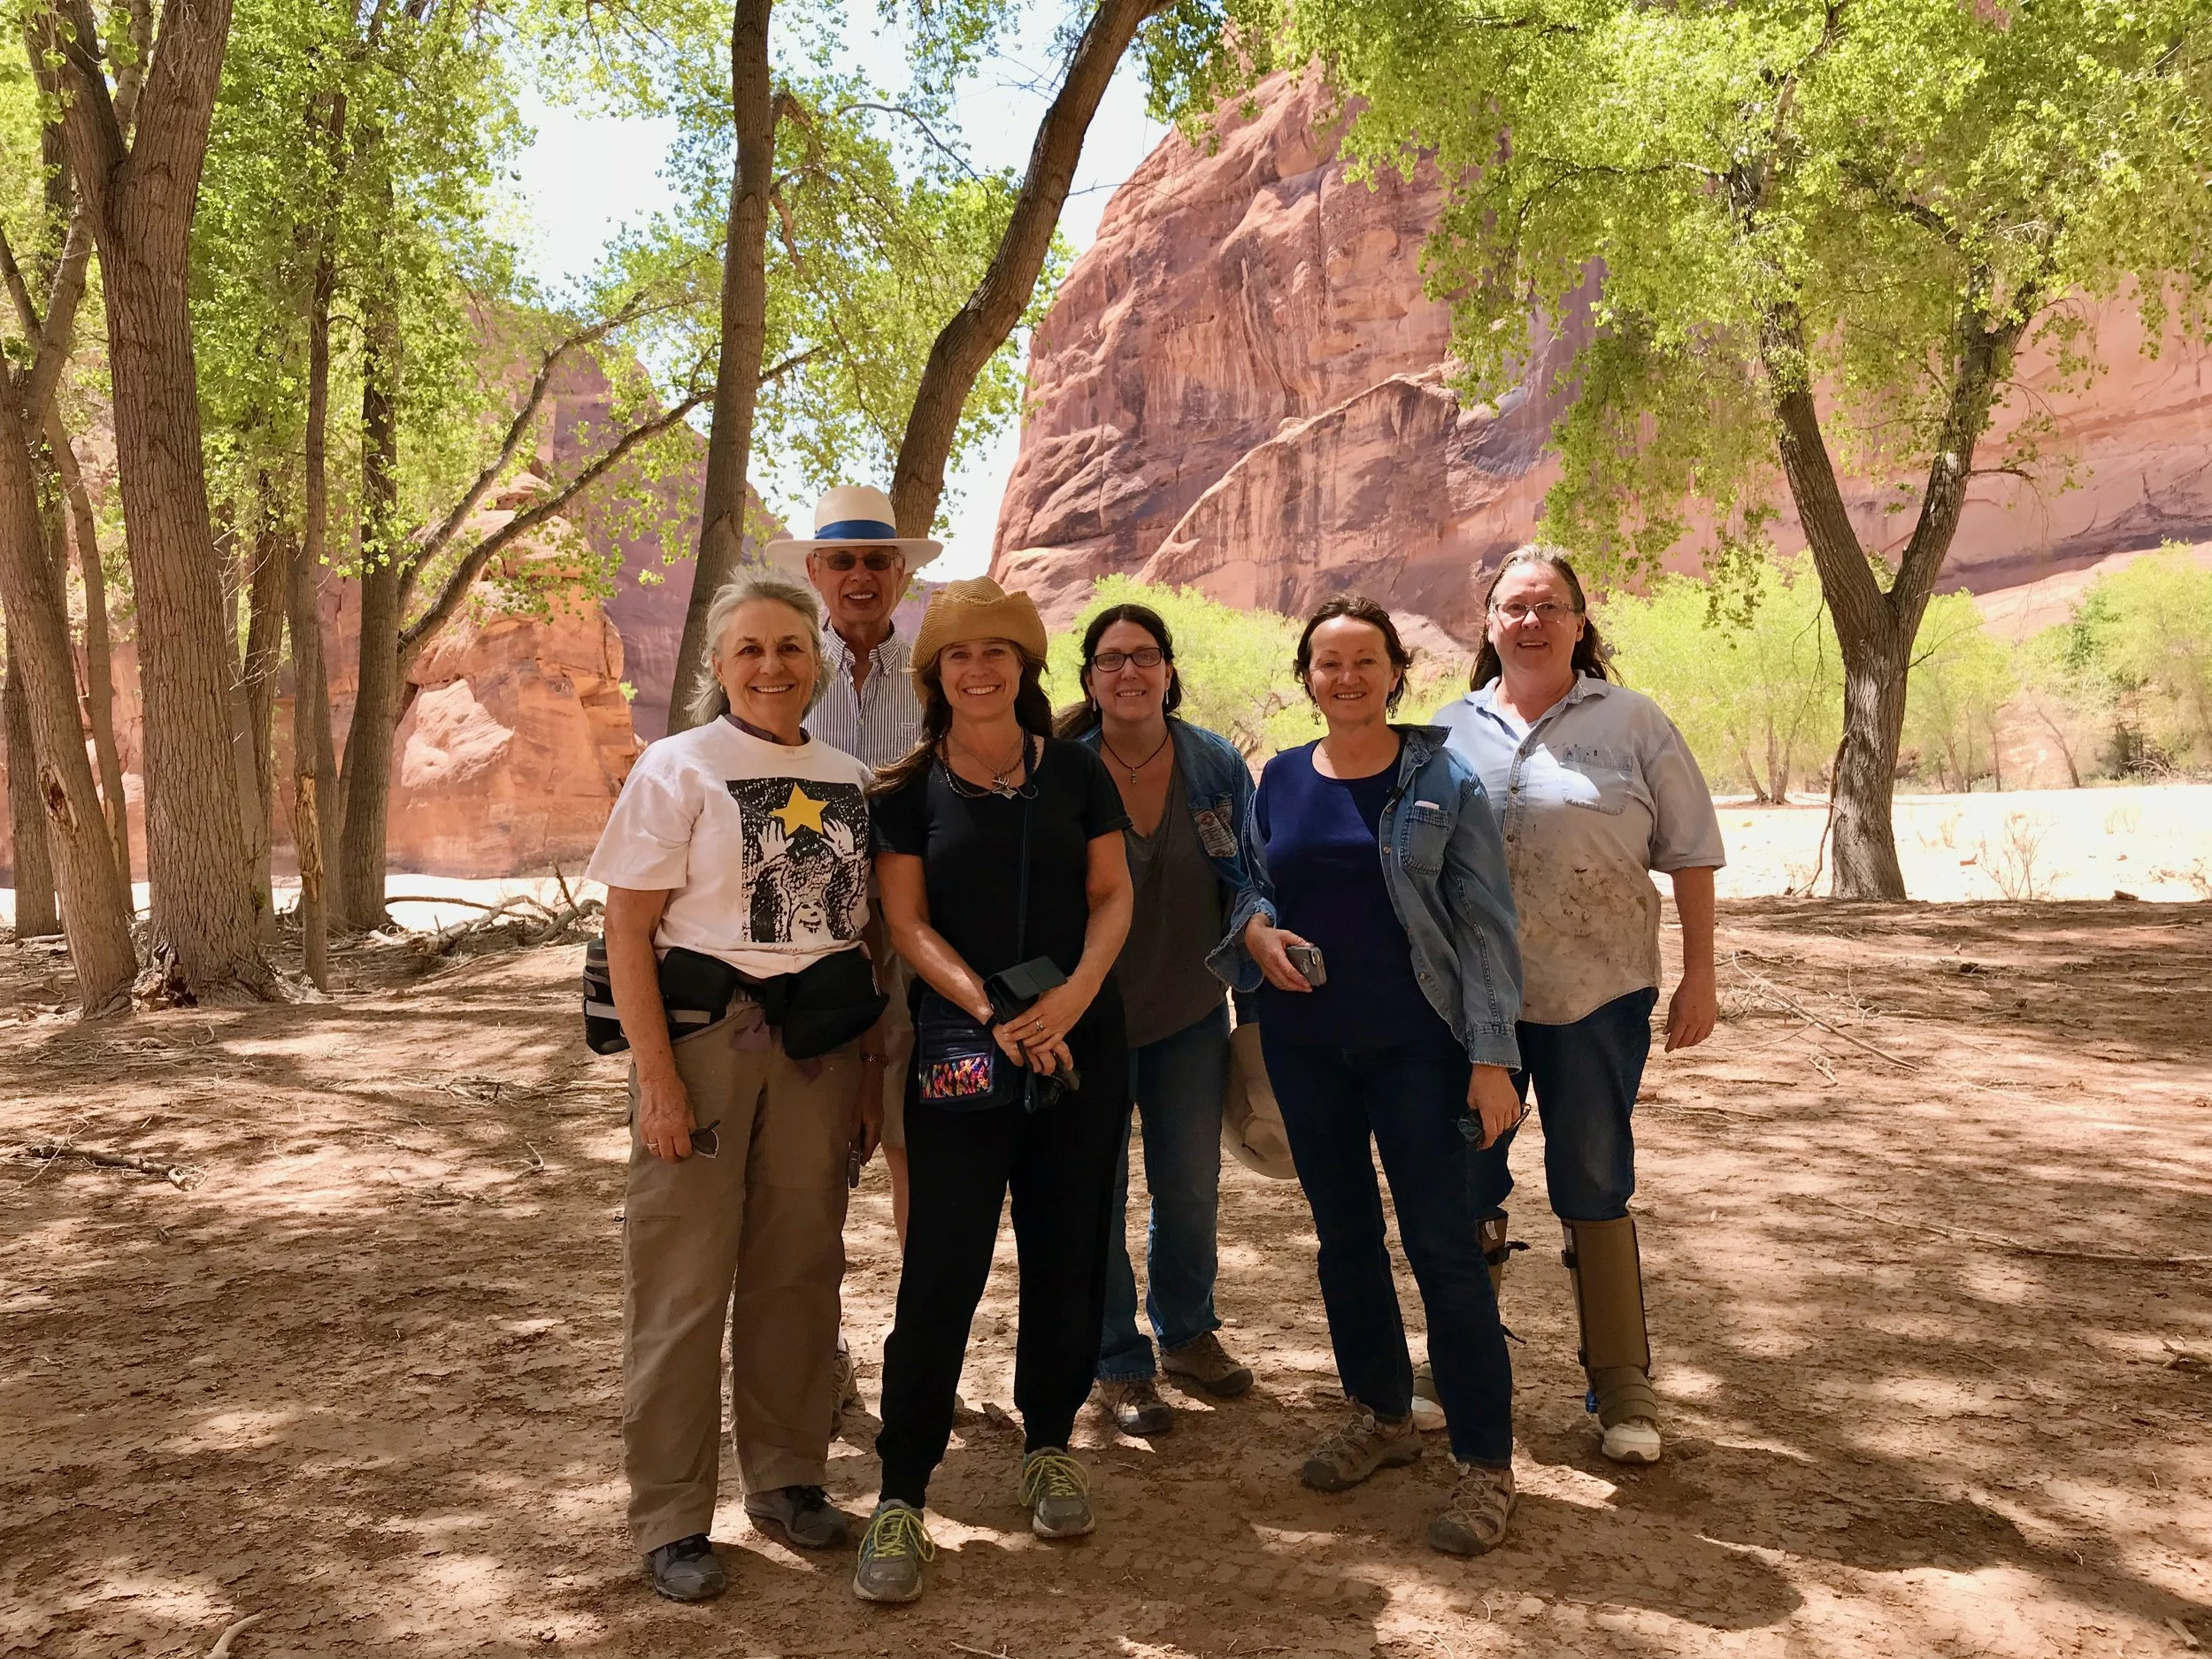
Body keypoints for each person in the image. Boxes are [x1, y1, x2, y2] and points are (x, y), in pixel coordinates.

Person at [586, 572, 885, 1601]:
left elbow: (865, 935)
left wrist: (865, 1081)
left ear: (817, 661)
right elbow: (628, 930)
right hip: (705, 1048)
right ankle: (672, 1517)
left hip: (817, 1056)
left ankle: (788, 1477)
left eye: (789, 647)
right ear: (718, 664)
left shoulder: (848, 778)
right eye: (749, 649)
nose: (770, 666)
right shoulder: (677, 767)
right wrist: (657, 1082)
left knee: (799, 1269)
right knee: (682, 1283)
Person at [1217, 595, 1526, 1559]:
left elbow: (1486, 925)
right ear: (1306, 678)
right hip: (1306, 1048)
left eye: (1364, 661)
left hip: (1418, 1049)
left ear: (1397, 672)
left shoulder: (1443, 779)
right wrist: (1255, 931)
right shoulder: (1279, 778)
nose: (1345, 677)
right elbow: (1252, 885)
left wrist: (1492, 1059)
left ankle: (1485, 1461)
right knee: (1344, 1240)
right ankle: (1383, 1414)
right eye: (1327, 662)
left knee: (1442, 1246)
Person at [854, 577, 1135, 1605]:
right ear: (936, 676)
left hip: (1077, 1047)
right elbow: (907, 923)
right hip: (962, 1053)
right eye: (960, 657)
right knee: (941, 1269)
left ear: (1025, 668)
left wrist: (1071, 998)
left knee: (1068, 1257)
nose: (979, 670)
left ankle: (1048, 1445)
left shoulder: (1078, 774)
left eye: (998, 654)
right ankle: (901, 1493)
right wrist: (991, 1009)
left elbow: (1112, 894)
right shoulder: (904, 791)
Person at [1432, 545, 1724, 1467]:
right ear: (1489, 624)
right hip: (1472, 1006)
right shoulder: (1447, 731)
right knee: (1466, 1177)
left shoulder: (1633, 721)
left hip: (1598, 991)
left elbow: (1691, 851)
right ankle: (1458, 1365)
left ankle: (1621, 1379)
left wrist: (1702, 974)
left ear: (1578, 622)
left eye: (1549, 606)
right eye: (1514, 607)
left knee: (1594, 1175)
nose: (1531, 621)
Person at [1053, 603, 1267, 1436]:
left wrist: (1257, 948)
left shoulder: (1214, 763)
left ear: (1170, 671)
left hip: (1188, 1015)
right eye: (1111, 659)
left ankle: (1186, 1331)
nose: (1129, 672)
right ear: (1089, 678)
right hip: (1087, 1021)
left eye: (1145, 656)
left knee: (1189, 1187)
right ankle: (1116, 1358)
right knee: (1095, 1191)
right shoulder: (1064, 769)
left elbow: (1251, 877)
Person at [771, 484, 938, 1240]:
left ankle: (917, 1305)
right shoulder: (784, 673)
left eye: (877, 559)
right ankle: (810, 1313)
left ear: (901, 572)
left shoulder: (938, 677)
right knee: (802, 1141)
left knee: (909, 1132)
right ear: (815, 571)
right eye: (842, 561)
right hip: (806, 934)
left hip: (915, 930)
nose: (860, 575)